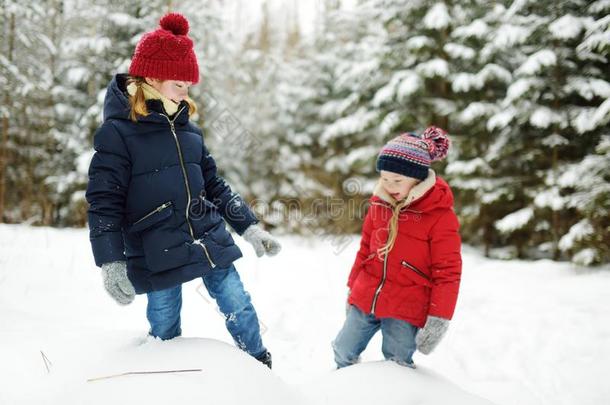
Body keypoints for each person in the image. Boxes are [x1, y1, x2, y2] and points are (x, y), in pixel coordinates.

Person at [85, 12, 280, 369]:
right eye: (180, 82)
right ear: (153, 77)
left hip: (207, 235)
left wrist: (249, 227)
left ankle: (258, 365)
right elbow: (104, 202)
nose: (187, 90)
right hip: (154, 244)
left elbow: (215, 185)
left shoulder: (189, 131)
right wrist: (111, 261)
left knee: (238, 302)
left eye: (189, 85)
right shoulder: (118, 133)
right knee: (164, 323)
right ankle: (168, 379)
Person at [332, 126, 462, 369]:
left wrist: (439, 318)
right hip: (367, 294)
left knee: (398, 362)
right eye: (384, 178)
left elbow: (448, 272)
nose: (389, 185)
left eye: (397, 180)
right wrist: (352, 287)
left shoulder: (439, 216)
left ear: (418, 178)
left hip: (407, 304)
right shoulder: (379, 204)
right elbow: (364, 250)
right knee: (342, 349)